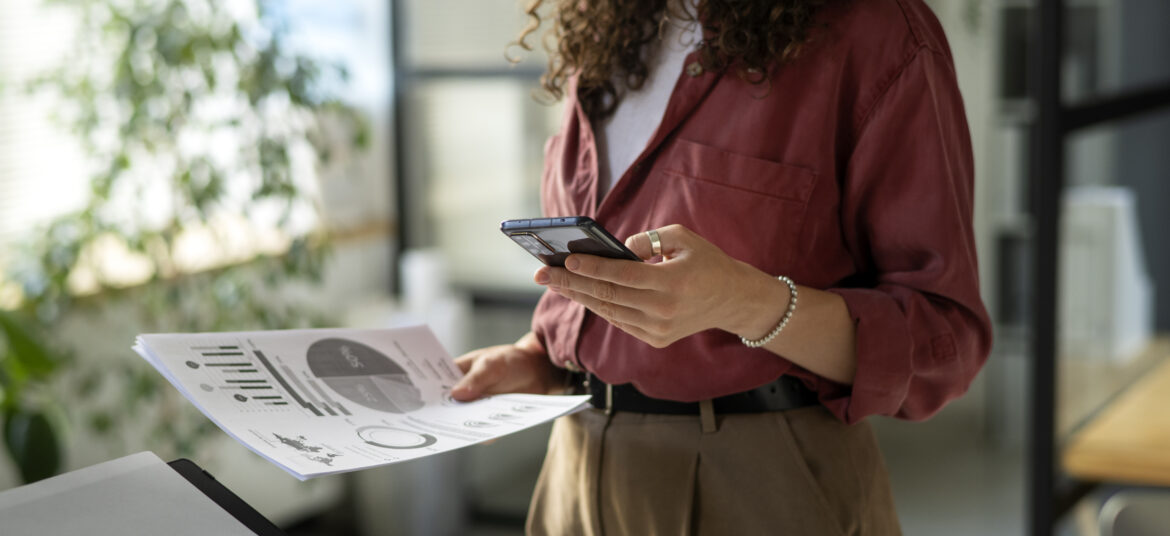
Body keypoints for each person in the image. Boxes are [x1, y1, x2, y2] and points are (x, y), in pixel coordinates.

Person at [451, 0, 992, 534]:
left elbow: (944, 338)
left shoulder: (875, 29)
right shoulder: (609, 29)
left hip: (761, 479)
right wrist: (540, 359)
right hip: (573, 468)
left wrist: (746, 302)